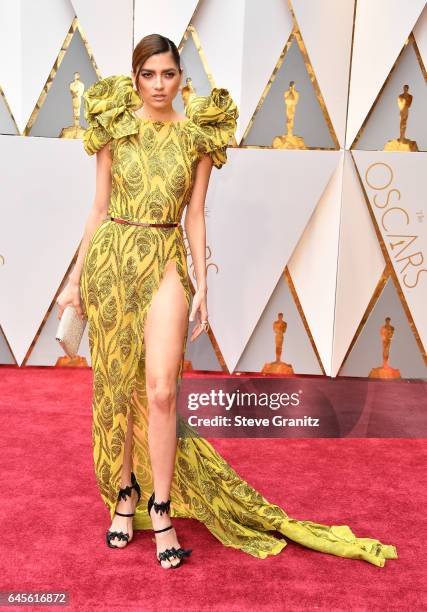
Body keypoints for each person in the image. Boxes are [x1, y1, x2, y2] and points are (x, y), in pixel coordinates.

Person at [56, 33, 398, 570]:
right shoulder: (114, 127)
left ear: (181, 77)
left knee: (163, 391)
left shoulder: (197, 136)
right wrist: (75, 280)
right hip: (111, 261)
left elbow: (195, 213)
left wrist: (203, 285)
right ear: (136, 76)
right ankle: (124, 495)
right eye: (148, 75)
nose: (158, 86)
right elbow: (97, 207)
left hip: (167, 258)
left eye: (168, 74)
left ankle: (161, 505)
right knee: (117, 388)